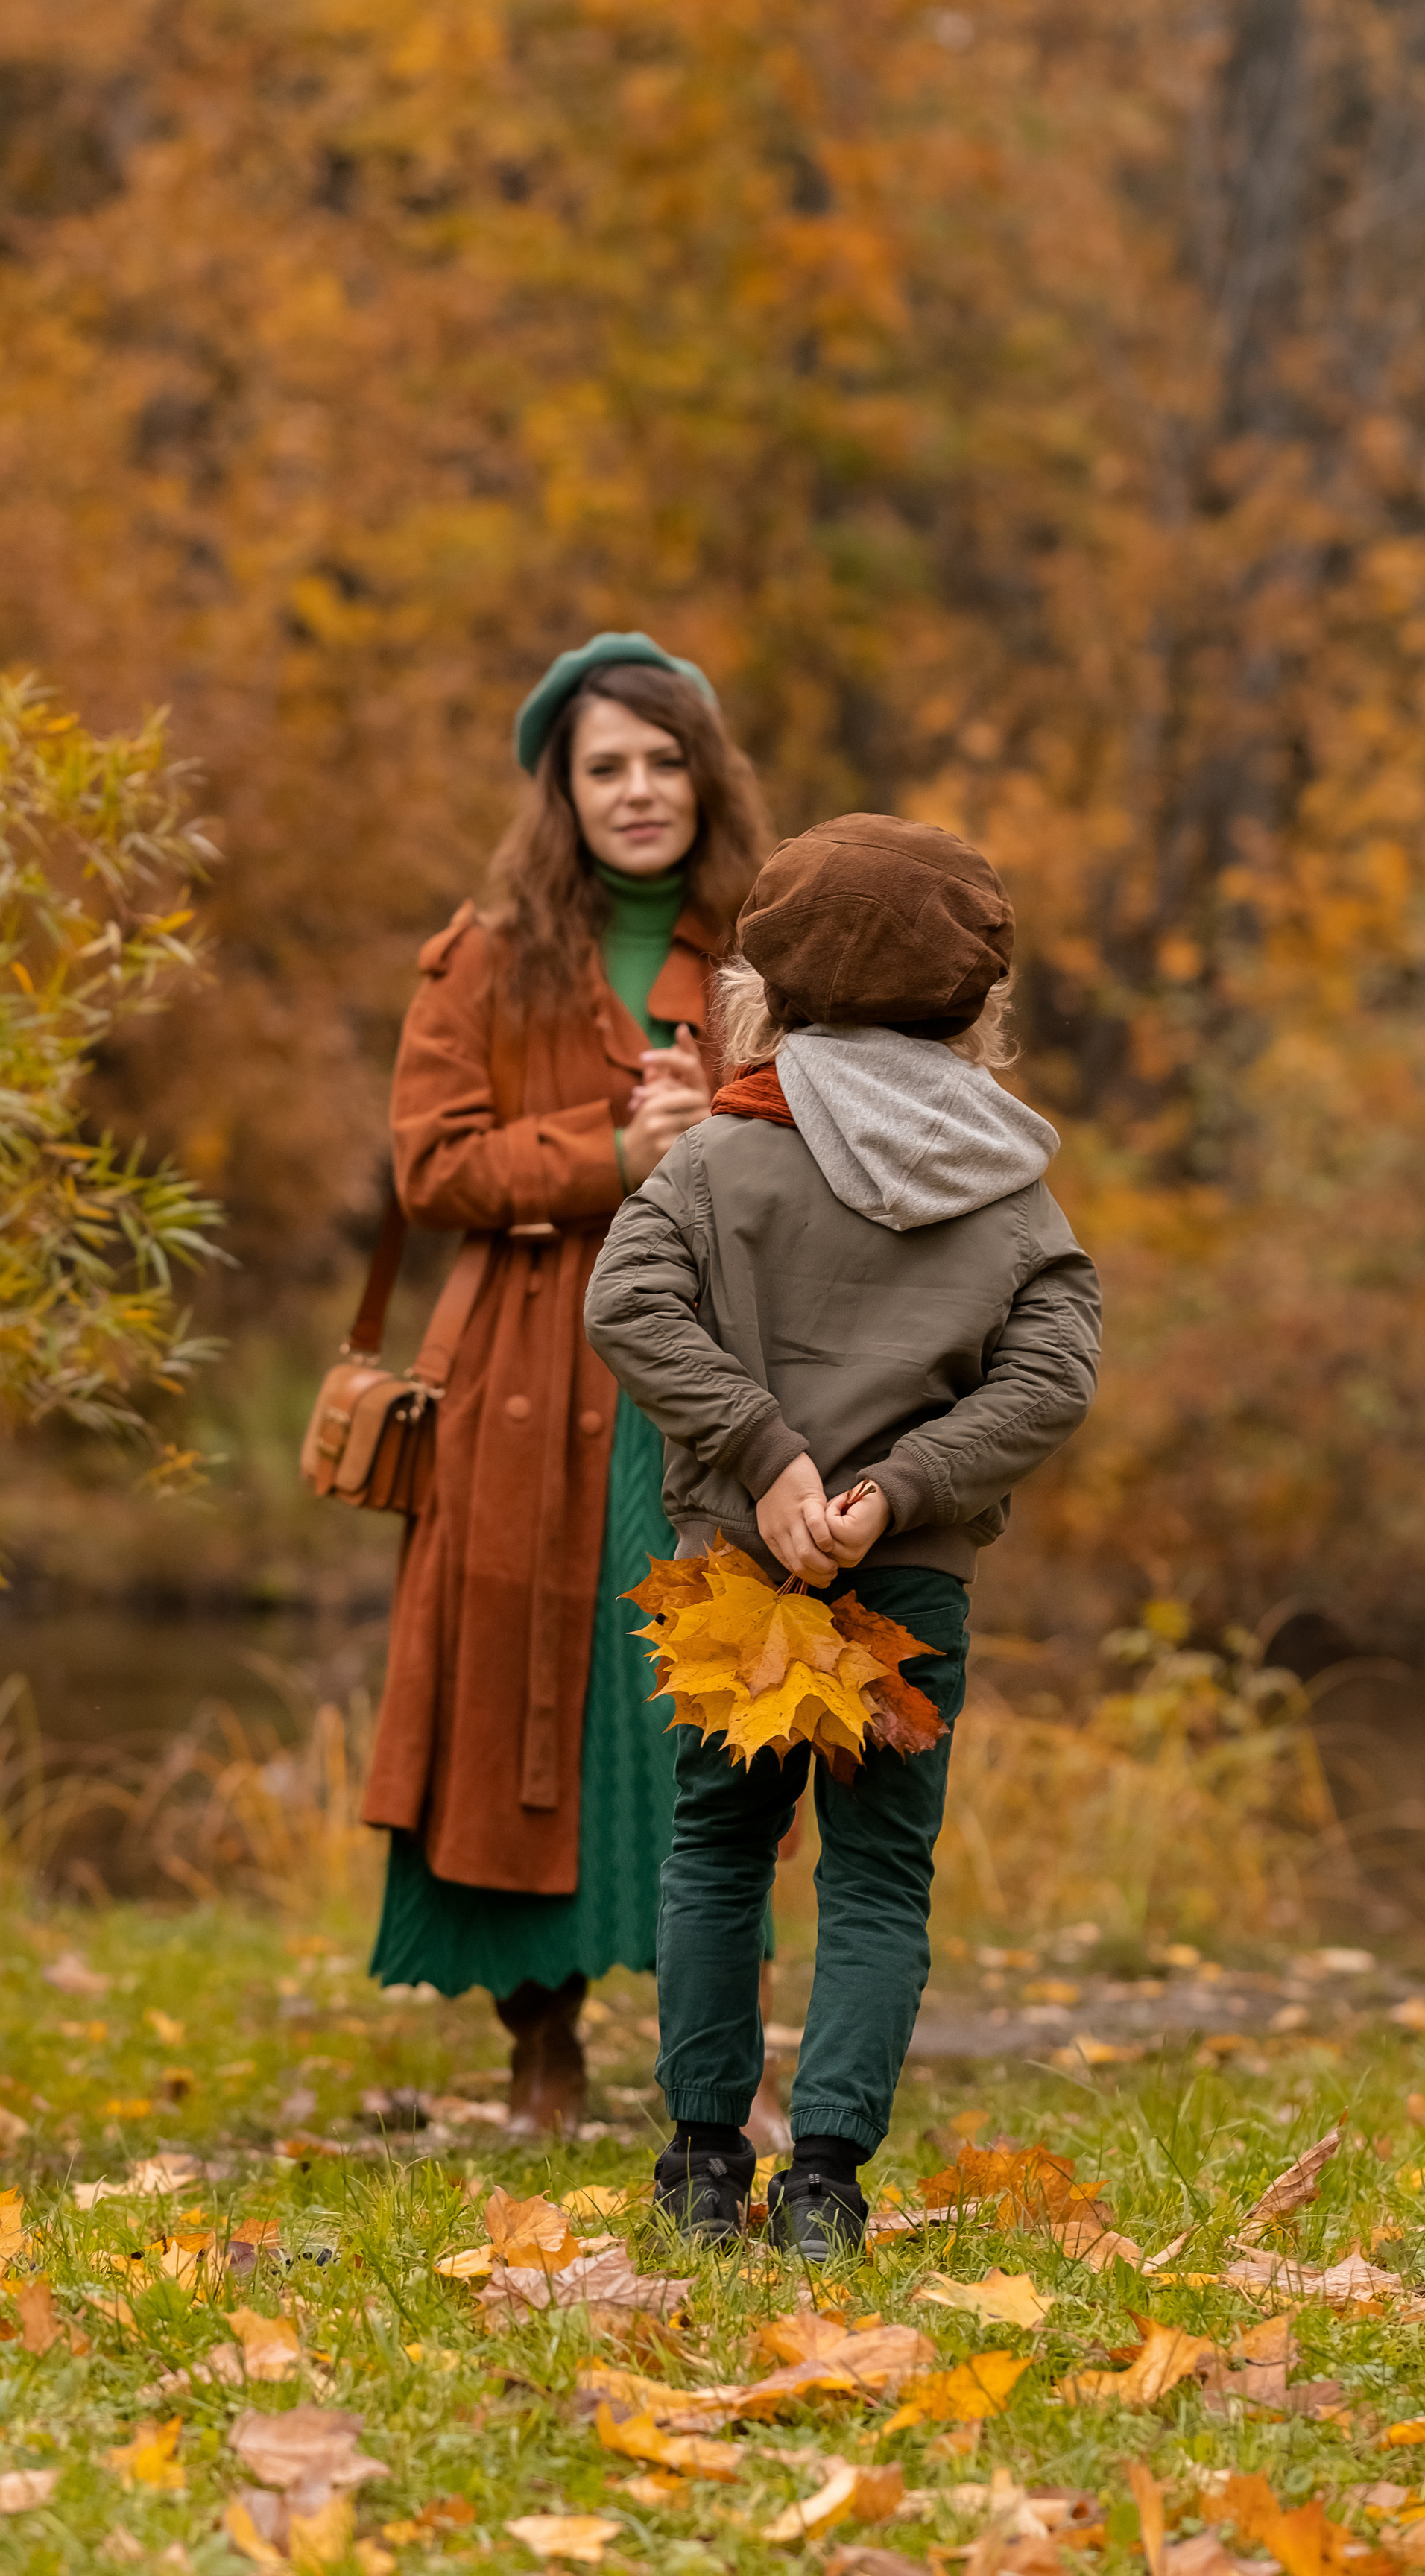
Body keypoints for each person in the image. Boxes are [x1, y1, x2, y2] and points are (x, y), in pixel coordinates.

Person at [584, 814, 1103, 2249]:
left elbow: (626, 1305)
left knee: (718, 1847)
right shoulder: (1010, 1186)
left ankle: (702, 2167)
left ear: (769, 988)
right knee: (877, 1874)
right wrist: (902, 1488)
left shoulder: (718, 1159)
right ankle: (824, 2184)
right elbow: (1052, 1376)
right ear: (975, 1004)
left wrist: (764, 1455)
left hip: (733, 1571)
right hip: (906, 1581)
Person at [362, 630, 773, 2134]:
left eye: (665, 761)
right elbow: (429, 1166)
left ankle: (719, 2056)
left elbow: (840, 1143)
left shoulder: (766, 953)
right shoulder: (485, 956)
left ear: (704, 778)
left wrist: (720, 1123)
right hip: (522, 1383)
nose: (639, 789)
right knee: (516, 1701)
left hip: (706, 1377)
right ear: (563, 790)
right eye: (606, 767)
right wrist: (609, 1154)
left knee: (712, 1696)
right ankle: (541, 2046)